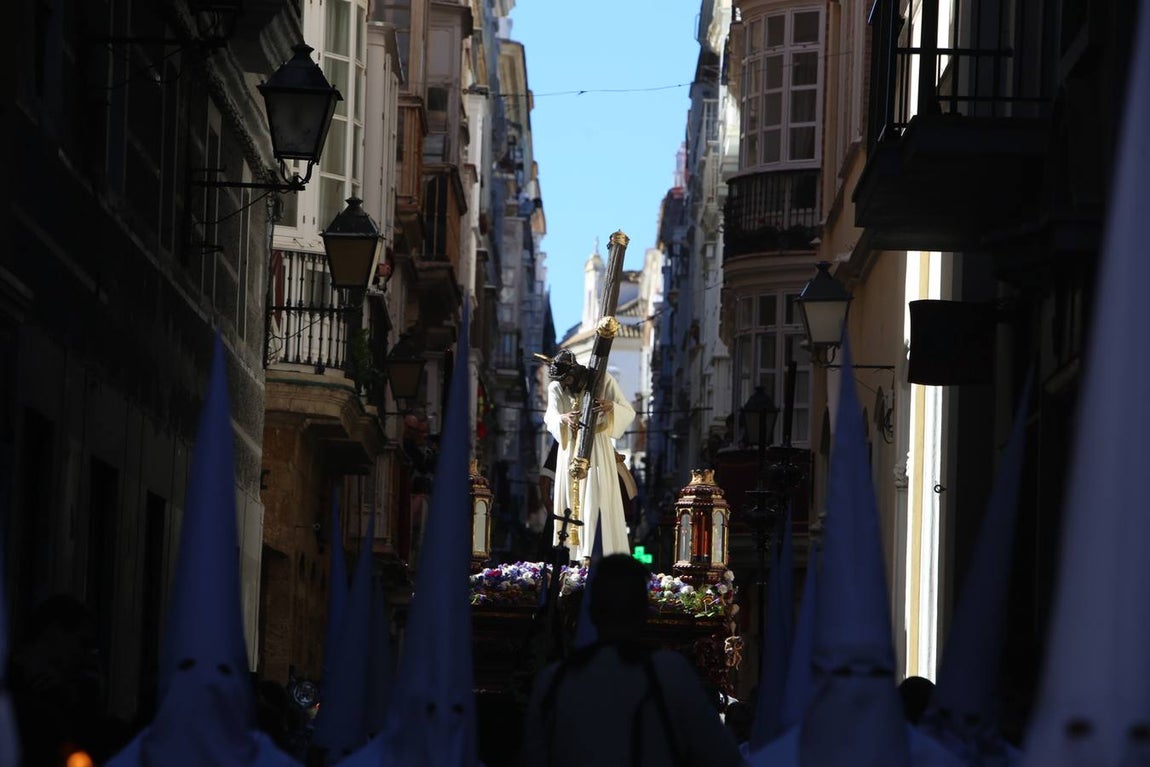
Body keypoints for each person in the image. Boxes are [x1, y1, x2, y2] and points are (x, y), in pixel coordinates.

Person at [521, 554, 745, 766]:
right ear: (645, 612)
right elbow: (720, 755)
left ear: (591, 611)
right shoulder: (669, 675)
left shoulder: (554, 680)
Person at [541, 350, 635, 560]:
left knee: (596, 497)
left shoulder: (602, 380)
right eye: (561, 381)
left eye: (567, 379)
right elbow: (551, 416)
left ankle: (594, 552)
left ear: (574, 372)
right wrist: (563, 419)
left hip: (597, 447)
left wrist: (610, 407)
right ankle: (574, 555)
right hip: (570, 450)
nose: (565, 384)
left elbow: (628, 411)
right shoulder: (556, 386)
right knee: (571, 503)